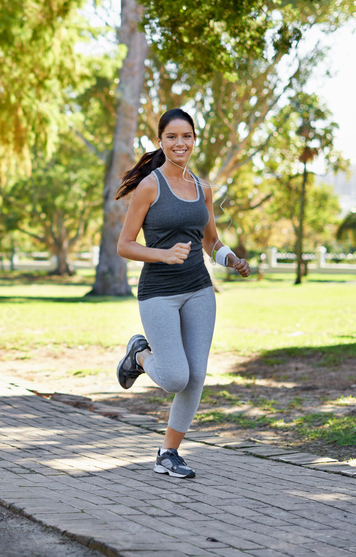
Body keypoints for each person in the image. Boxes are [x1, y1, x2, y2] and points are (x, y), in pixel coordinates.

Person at [114, 108, 251, 479]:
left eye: (186, 136)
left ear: (194, 140)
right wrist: (162, 254)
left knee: (196, 376)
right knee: (175, 377)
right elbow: (124, 245)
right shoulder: (150, 187)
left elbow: (210, 241)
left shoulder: (203, 188)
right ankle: (140, 355)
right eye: (172, 137)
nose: (180, 143)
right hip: (158, 291)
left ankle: (168, 452)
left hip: (199, 290)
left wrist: (232, 259)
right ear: (160, 141)